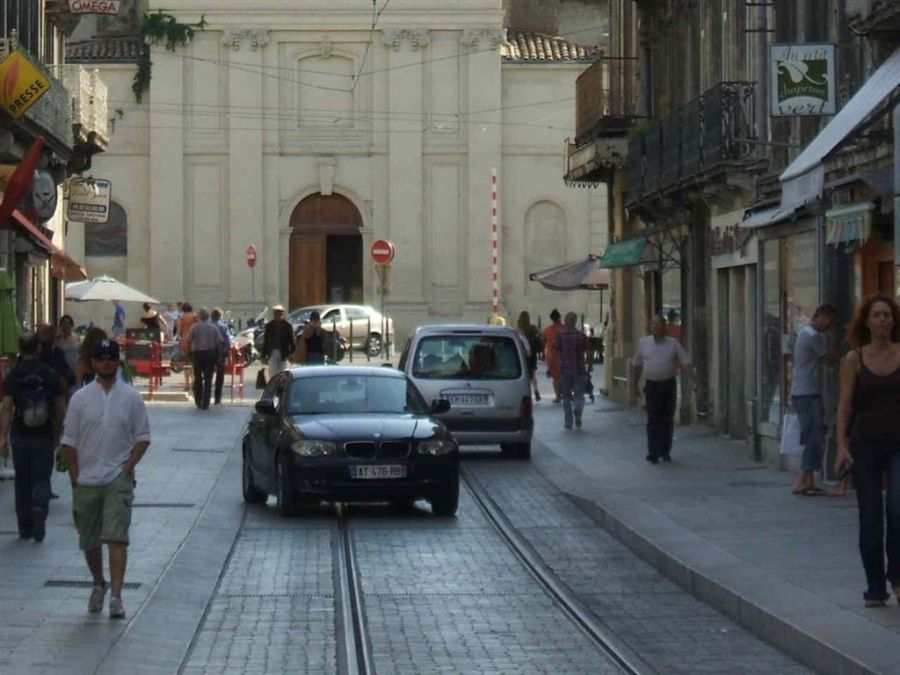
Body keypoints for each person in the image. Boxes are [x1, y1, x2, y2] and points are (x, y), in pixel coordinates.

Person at [61, 339, 151, 619]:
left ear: (117, 360)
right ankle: (99, 582)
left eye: (110, 357)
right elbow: (68, 442)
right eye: (100, 358)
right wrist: (75, 478)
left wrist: (128, 467)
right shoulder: (80, 399)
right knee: (89, 540)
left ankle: (116, 596)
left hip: (117, 479)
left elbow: (143, 437)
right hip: (86, 479)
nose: (106, 362)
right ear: (93, 363)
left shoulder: (131, 397)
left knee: (116, 538)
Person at [835, 294, 900, 608]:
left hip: (899, 444)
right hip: (865, 445)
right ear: (867, 322)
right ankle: (875, 587)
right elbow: (845, 406)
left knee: (898, 508)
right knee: (871, 517)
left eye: (887, 314)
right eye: (877, 315)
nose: (883, 319)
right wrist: (841, 446)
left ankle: (897, 577)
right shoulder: (854, 359)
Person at [0, 332, 66, 541]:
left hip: (20, 433)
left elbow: (7, 407)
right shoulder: (49, 374)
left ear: (20, 349)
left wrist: (2, 438)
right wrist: (58, 430)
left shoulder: (14, 375)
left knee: (22, 480)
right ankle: (39, 508)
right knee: (42, 476)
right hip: (44, 433)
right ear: (38, 348)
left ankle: (24, 526)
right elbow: (60, 405)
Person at [631, 314, 697, 464]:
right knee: (653, 418)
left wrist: (693, 379)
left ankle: (665, 450)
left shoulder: (673, 344)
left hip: (668, 385)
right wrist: (634, 385)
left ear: (664, 326)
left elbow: (685, 362)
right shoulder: (644, 343)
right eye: (652, 324)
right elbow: (636, 365)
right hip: (652, 386)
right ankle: (653, 452)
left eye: (657, 324)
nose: (654, 327)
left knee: (667, 418)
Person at [788, 304, 839, 496]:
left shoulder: (804, 332)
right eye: (830, 321)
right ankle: (801, 480)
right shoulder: (813, 336)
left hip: (802, 391)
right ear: (821, 316)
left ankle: (809, 481)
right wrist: (832, 339)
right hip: (808, 393)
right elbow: (829, 359)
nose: (830, 325)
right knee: (815, 437)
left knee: (810, 435)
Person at [554, 311, 591, 430]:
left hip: (565, 370)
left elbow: (555, 349)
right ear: (575, 321)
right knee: (579, 393)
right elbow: (588, 351)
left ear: (565, 321)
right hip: (579, 369)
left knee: (566, 396)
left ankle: (568, 422)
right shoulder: (581, 335)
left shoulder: (560, 335)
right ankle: (578, 409)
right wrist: (590, 365)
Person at [184, 308, 224, 410]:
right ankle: (206, 402)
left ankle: (198, 400)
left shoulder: (194, 327)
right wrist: (219, 356)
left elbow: (188, 341)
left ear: (200, 316)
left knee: (197, 377)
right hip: (210, 354)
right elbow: (219, 342)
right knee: (208, 379)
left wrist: (187, 353)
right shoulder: (213, 328)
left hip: (197, 354)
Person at [516, 311, 543, 401]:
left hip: (522, 354)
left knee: (523, 374)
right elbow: (541, 335)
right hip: (532, 354)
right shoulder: (532, 328)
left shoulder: (519, 329)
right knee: (532, 374)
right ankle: (536, 390)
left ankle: (526, 392)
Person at [263, 305, 296, 375]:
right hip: (272, 352)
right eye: (276, 314)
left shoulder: (287, 326)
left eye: (279, 314)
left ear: (282, 314)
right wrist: (264, 354)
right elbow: (266, 340)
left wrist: (292, 352)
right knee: (273, 371)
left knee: (282, 372)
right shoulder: (269, 325)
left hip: (283, 352)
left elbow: (292, 340)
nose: (277, 316)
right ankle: (273, 382)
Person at [542, 309, 564, 403]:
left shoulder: (547, 329)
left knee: (556, 378)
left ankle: (558, 396)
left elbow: (544, 341)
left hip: (552, 356)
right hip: (563, 354)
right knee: (564, 376)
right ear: (559, 317)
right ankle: (565, 393)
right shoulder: (564, 328)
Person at [210, 308, 231, 405]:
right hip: (220, 353)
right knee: (220, 376)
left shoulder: (208, 325)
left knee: (208, 375)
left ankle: (206, 396)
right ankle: (217, 399)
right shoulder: (223, 327)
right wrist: (228, 354)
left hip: (209, 351)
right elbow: (227, 342)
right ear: (220, 316)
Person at [176, 302, 197, 391]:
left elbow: (179, 332)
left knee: (186, 364)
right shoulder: (195, 317)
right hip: (194, 342)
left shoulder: (181, 318)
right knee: (193, 364)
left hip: (184, 342)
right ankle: (194, 382)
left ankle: (187, 384)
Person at [57, 315, 81, 380]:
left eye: (68, 323)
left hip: (76, 367)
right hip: (64, 369)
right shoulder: (58, 339)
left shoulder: (76, 337)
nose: (67, 326)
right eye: (64, 323)